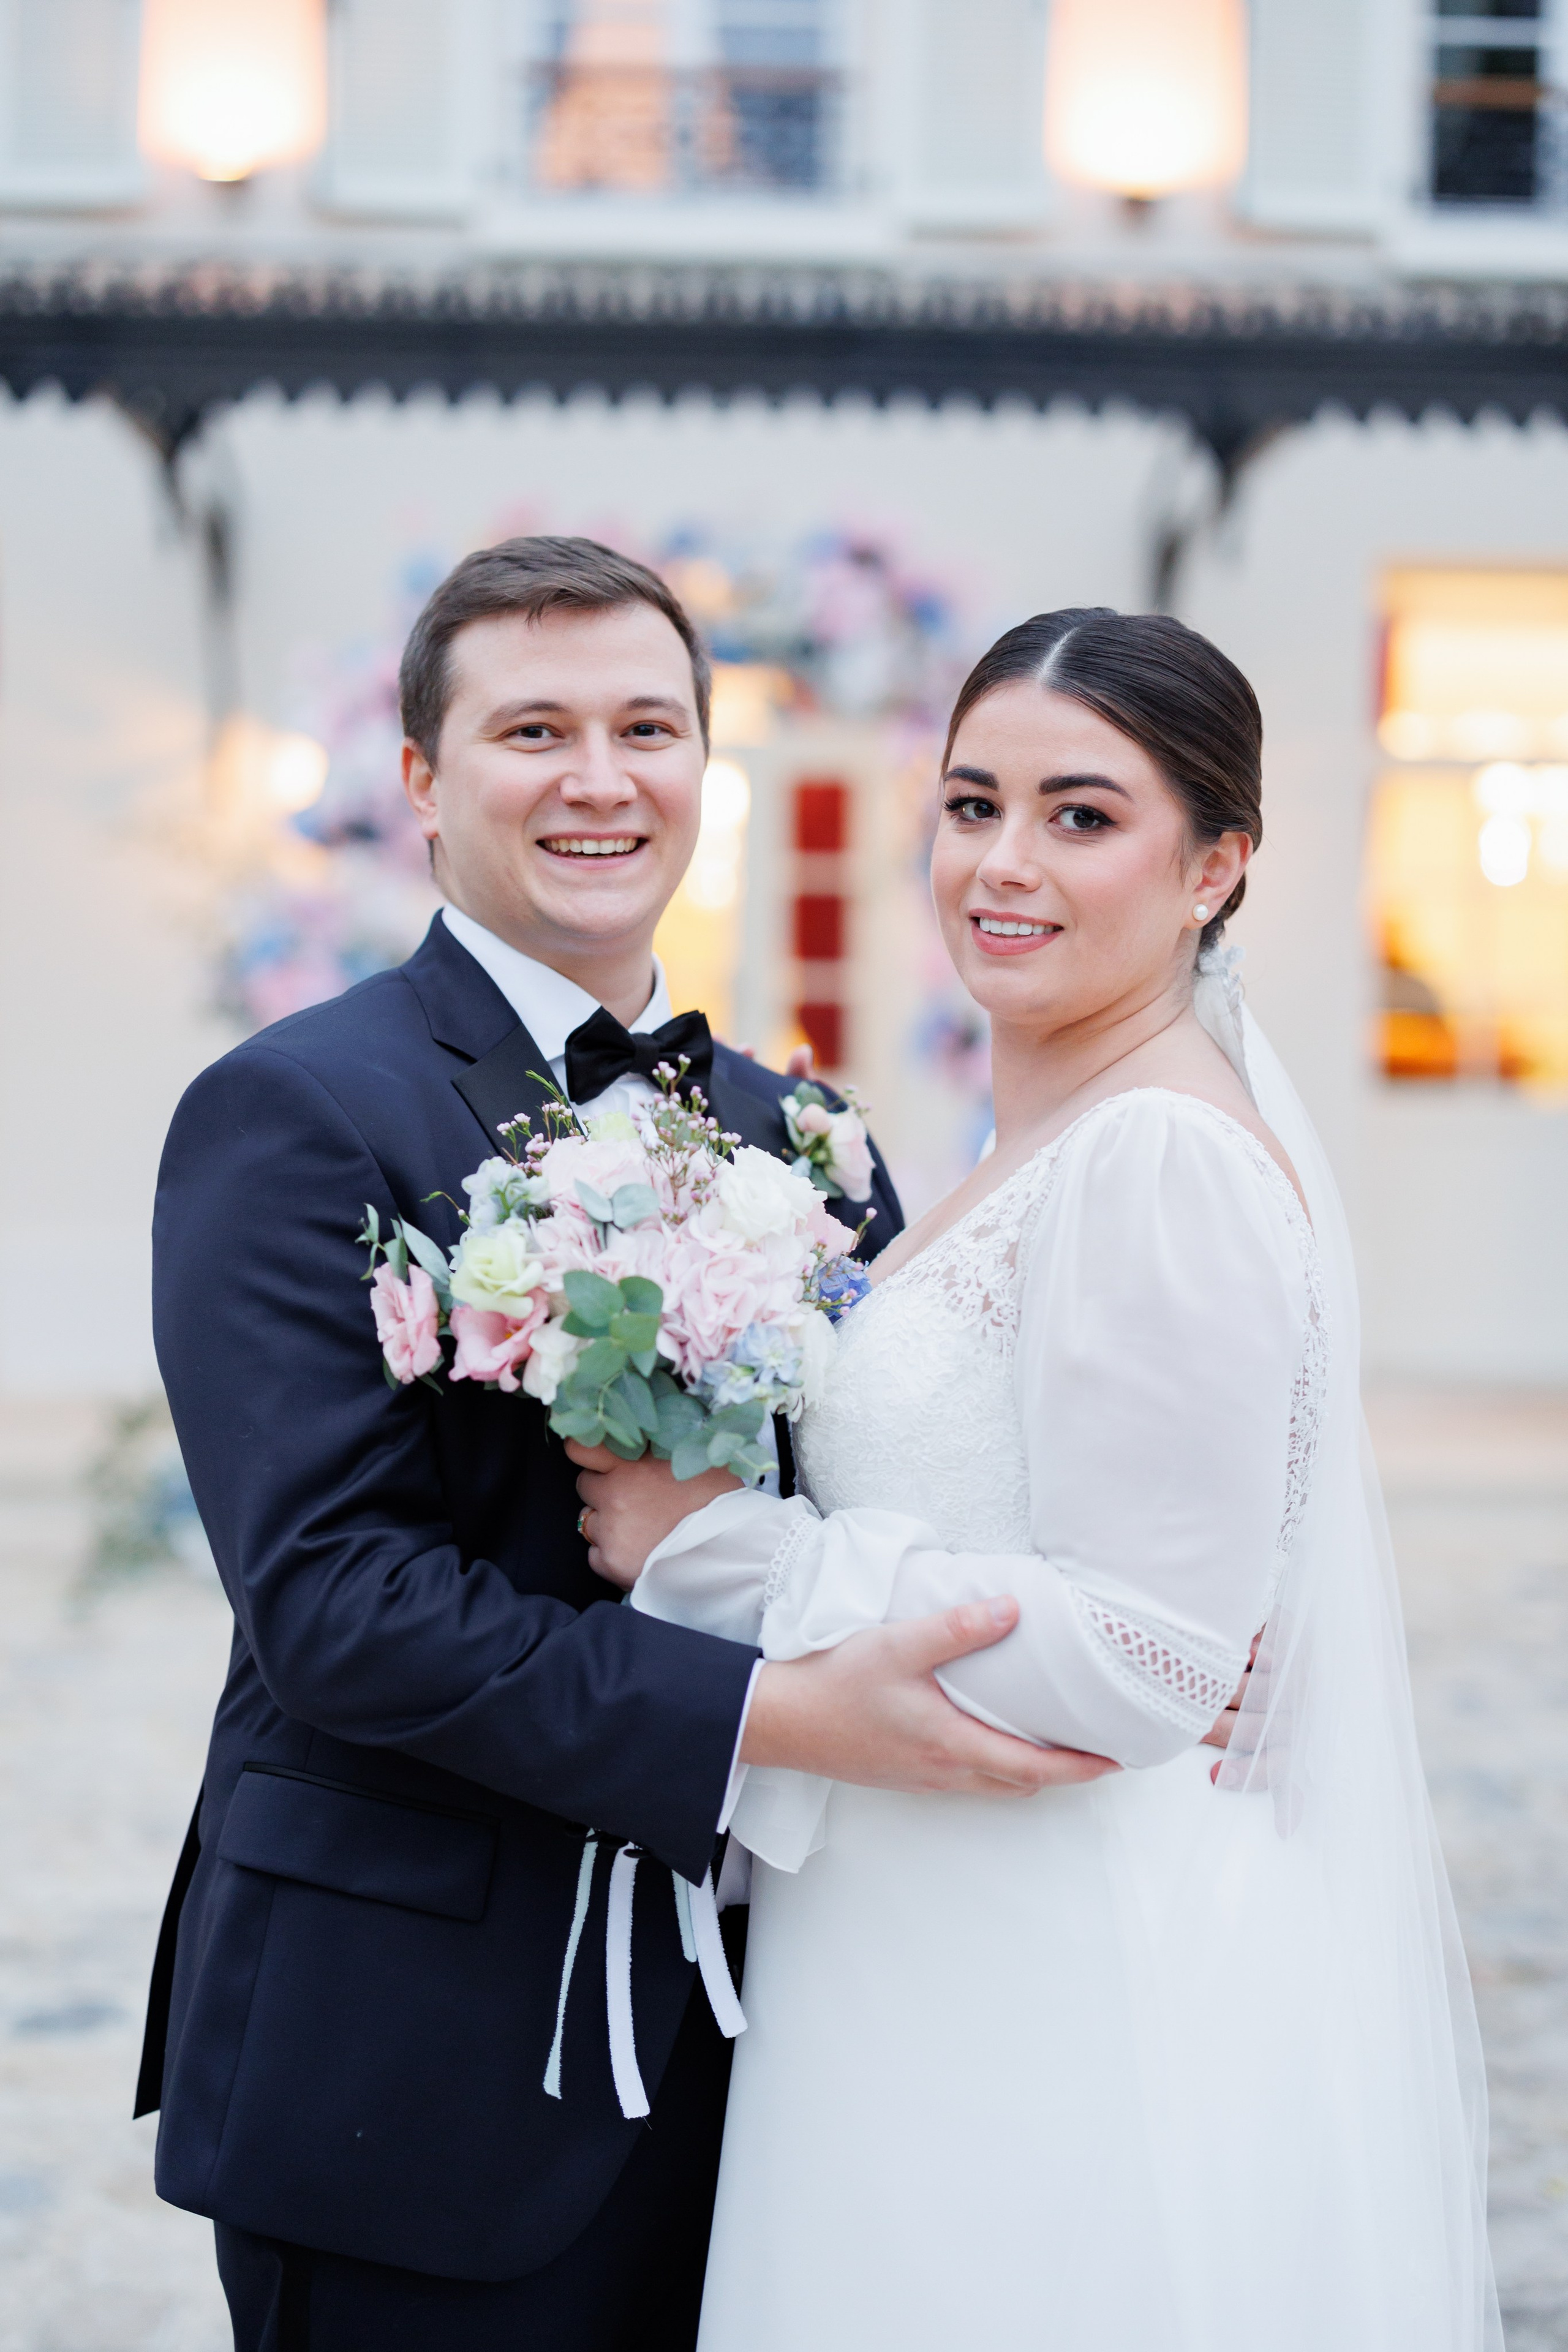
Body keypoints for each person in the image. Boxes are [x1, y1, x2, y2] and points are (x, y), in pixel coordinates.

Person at [136, 538, 1120, 2352]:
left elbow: (890, 1492)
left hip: (781, 2058)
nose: (602, 779)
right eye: (535, 730)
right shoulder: (293, 1113)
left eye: (648, 729)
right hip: (414, 2062)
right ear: (421, 778)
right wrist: (777, 1719)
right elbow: (338, 1606)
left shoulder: (805, 1134)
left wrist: (1130, 1628)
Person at [575, 608, 1504, 2351]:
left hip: (1045, 1974)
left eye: (1082, 815)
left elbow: (1147, 1657)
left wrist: (725, 1554)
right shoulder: (1049, 1138)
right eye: (973, 804)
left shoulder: (1158, 1158)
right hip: (927, 1930)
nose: (1004, 862)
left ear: (1216, 867)